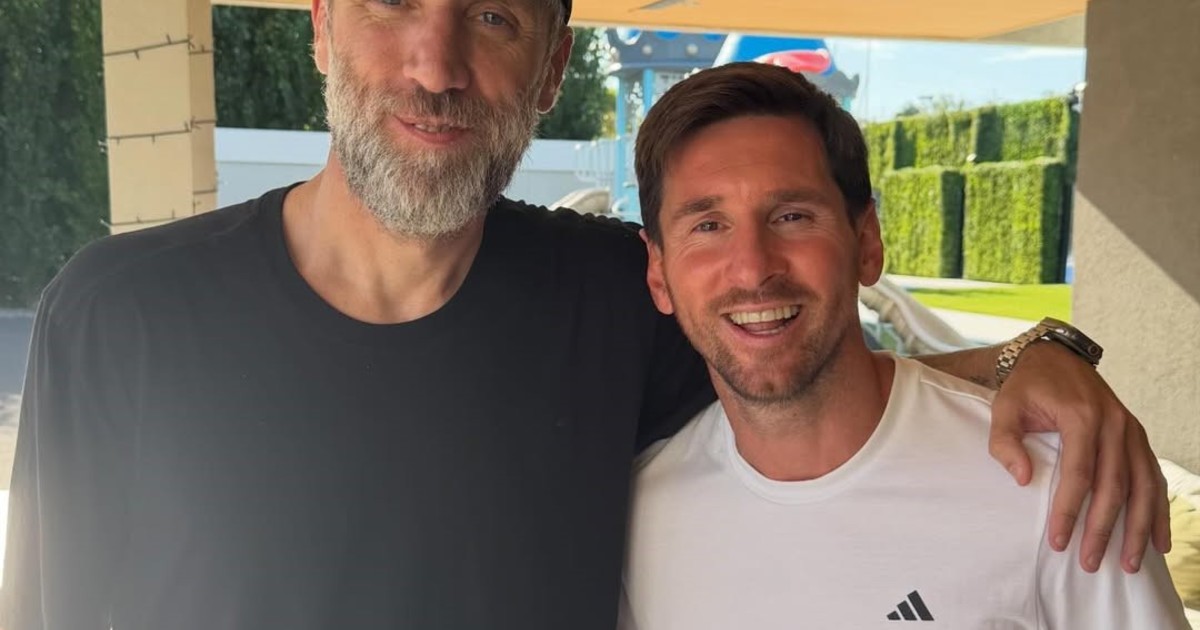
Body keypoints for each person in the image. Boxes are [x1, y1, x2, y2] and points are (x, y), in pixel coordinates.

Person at [0, 1, 1169, 629]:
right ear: (320, 24)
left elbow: (808, 372)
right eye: (393, 4)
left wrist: (1040, 360)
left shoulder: (615, 297)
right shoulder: (119, 316)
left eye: (493, 18)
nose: (436, 65)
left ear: (555, 65)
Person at [619, 62, 1189, 629]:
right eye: (708, 226)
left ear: (868, 241)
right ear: (658, 274)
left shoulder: (1054, 482)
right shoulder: (640, 514)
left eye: (792, 216)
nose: (752, 268)